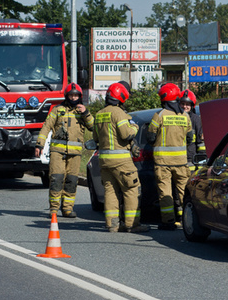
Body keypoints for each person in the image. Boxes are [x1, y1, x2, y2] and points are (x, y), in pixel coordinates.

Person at [93, 81, 149, 233]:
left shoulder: (99, 114)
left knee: (110, 191)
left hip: (104, 160)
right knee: (132, 189)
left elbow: (96, 138)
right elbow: (126, 134)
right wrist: (135, 127)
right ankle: (132, 225)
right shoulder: (119, 113)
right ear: (121, 98)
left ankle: (112, 225)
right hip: (121, 160)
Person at [35, 83, 94, 218]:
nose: (73, 98)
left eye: (76, 95)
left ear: (80, 96)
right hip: (57, 152)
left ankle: (67, 208)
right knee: (56, 179)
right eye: (71, 95)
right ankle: (54, 209)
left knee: (72, 180)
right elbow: (46, 127)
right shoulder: (57, 110)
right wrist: (40, 144)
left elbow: (93, 127)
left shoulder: (83, 111)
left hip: (75, 154)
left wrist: (86, 113)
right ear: (66, 96)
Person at [146, 84, 194, 230]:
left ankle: (168, 221)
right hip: (181, 162)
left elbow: (150, 137)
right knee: (184, 192)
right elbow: (190, 137)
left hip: (162, 163)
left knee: (165, 193)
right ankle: (188, 220)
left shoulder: (159, 115)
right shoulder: (185, 116)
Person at [179, 89, 205, 168]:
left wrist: (201, 163)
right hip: (177, 160)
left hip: (191, 161)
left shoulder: (196, 120)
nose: (185, 106)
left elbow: (201, 143)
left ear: (192, 106)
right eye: (182, 104)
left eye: (187, 104)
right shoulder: (175, 118)